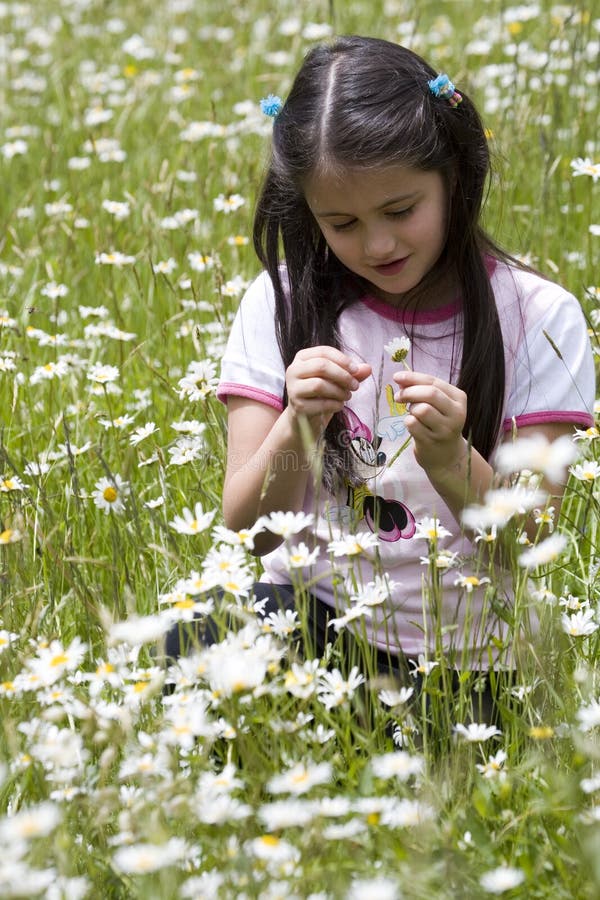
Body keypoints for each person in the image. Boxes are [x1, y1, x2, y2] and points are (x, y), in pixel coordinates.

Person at [191, 37, 595, 688]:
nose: (377, 244)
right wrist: (299, 424)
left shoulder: (539, 318)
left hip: (471, 655)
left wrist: (449, 460)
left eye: (401, 211)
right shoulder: (281, 301)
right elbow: (255, 533)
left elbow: (529, 547)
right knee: (184, 650)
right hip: (308, 621)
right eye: (342, 222)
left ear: (454, 178)